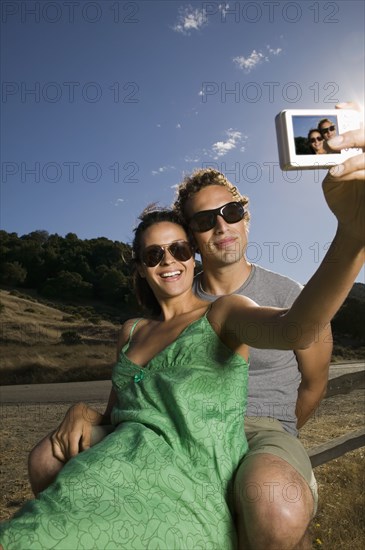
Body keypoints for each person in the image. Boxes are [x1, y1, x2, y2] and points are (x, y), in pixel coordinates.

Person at [0, 162, 364, 549]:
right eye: (205, 222)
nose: (221, 227)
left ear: (246, 217)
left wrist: (353, 237)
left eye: (232, 212)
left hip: (260, 427)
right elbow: (134, 398)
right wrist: (81, 410)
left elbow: (310, 373)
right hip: (167, 425)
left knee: (274, 502)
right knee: (46, 458)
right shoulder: (159, 315)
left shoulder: (259, 302)